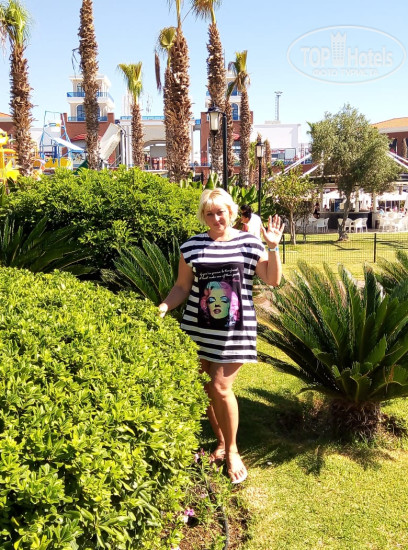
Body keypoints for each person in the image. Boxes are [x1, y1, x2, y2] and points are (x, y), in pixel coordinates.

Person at [158, 188, 284, 484]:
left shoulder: (249, 243)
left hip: (235, 329)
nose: (216, 219)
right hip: (198, 328)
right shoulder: (191, 247)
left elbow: (273, 279)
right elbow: (182, 287)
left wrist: (273, 248)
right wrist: (164, 306)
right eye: (209, 214)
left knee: (220, 386)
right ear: (203, 216)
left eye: (221, 212)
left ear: (231, 212)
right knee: (205, 389)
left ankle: (233, 451)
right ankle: (222, 442)